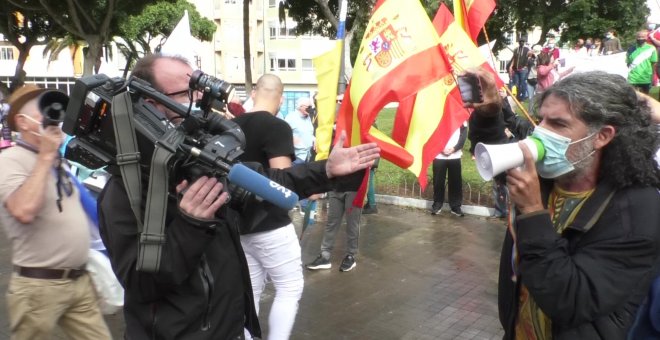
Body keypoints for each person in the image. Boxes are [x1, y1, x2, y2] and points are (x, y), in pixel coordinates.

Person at [97, 54, 381, 339]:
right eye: (186, 93)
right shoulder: (124, 191)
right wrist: (190, 225)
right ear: (150, 106)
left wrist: (327, 171)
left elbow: (267, 182)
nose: (197, 100)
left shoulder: (196, 160)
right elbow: (140, 283)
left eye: (198, 89)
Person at [469, 68, 660, 339]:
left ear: (602, 136)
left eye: (558, 124)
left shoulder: (637, 210)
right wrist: (489, 114)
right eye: (541, 119)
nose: (540, 131)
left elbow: (569, 300)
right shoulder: (551, 173)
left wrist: (534, 211)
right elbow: (496, 157)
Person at [0, 85, 111, 339]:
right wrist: (45, 158)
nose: (53, 121)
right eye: (43, 112)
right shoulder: (10, 160)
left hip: (79, 281)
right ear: (22, 123)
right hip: (38, 287)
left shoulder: (58, 161)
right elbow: (23, 210)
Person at [232, 73, 302, 340]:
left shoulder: (232, 125)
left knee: (252, 291)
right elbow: (282, 180)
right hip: (270, 224)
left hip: (238, 224)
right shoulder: (277, 126)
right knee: (289, 286)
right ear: (281, 98)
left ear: (253, 94)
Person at [305, 170, 365, 272]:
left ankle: (351, 255)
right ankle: (325, 256)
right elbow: (330, 164)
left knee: (352, 224)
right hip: (335, 187)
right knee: (331, 223)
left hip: (355, 188)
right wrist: (321, 187)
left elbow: (373, 163)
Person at [430, 121, 467, 217]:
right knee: (438, 181)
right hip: (439, 155)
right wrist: (440, 148)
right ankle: (437, 204)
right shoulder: (437, 114)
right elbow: (432, 132)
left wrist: (455, 148)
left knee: (455, 181)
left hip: (455, 155)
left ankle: (455, 206)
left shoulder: (460, 116)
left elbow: (463, 135)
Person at [626, 30, 658, 94]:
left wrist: (653, 77)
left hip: (646, 78)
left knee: (645, 100)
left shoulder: (651, 48)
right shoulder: (631, 49)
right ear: (636, 38)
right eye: (638, 37)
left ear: (646, 37)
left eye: (643, 37)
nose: (640, 38)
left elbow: (654, 64)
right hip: (633, 79)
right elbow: (628, 63)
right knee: (633, 98)